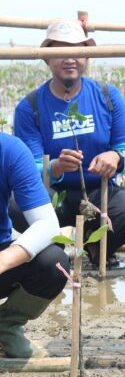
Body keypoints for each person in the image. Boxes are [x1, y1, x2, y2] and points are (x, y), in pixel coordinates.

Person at [12, 20, 125, 266]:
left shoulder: (107, 95)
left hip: (100, 192)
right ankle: (52, 252)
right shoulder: (29, 107)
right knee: (14, 208)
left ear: (87, 57)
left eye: (77, 51)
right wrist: (55, 167)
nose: (70, 59)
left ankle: (96, 244)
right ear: (46, 58)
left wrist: (116, 158)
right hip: (54, 195)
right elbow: (27, 168)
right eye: (60, 52)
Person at [0, 132, 71, 358]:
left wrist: (4, 260)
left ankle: (6, 326)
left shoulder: (9, 150)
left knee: (53, 264)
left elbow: (47, 225)